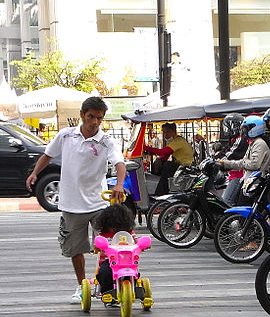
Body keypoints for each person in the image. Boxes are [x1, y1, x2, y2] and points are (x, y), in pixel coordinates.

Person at [24, 96, 127, 304]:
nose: (95, 122)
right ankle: (82, 286)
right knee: (75, 248)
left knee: (110, 247)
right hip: (71, 204)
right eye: (91, 117)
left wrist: (119, 184)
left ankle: (109, 286)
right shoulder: (66, 135)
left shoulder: (106, 141)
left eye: (99, 118)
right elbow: (47, 155)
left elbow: (120, 163)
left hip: (99, 203)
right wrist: (35, 173)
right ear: (82, 115)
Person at [218, 115, 270, 205]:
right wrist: (226, 163)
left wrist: (228, 163)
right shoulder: (253, 143)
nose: (243, 132)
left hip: (255, 183)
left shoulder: (259, 144)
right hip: (248, 181)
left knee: (237, 204)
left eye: (246, 129)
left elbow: (254, 164)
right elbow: (244, 161)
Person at [94, 203, 137, 297]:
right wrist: (98, 246)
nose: (114, 229)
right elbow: (97, 244)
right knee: (105, 273)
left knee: (133, 273)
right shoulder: (103, 235)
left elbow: (136, 242)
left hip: (126, 261)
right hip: (109, 261)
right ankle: (107, 293)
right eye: (111, 226)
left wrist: (141, 245)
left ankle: (133, 289)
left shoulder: (129, 233)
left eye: (118, 226)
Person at [144, 122, 194, 195]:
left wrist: (144, 147)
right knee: (161, 163)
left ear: (173, 131)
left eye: (167, 132)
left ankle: (161, 192)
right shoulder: (173, 141)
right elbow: (165, 156)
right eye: (164, 132)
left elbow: (162, 152)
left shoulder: (178, 141)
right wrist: (158, 160)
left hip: (184, 167)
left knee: (168, 165)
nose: (165, 135)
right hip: (180, 166)